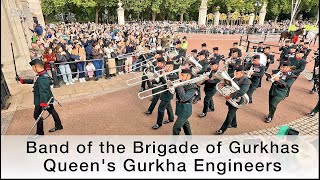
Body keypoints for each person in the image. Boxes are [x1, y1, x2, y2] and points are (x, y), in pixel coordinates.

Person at [15, 59, 63, 135]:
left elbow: (43, 92)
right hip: (46, 99)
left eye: (32, 67)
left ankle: (40, 133)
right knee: (52, 111)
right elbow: (34, 81)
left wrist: (43, 104)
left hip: (42, 100)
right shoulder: (41, 75)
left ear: (36, 67)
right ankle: (59, 125)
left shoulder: (42, 78)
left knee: (37, 115)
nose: (32, 69)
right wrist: (22, 80)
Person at [215, 65, 251, 135]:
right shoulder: (233, 77)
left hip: (237, 100)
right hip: (231, 99)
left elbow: (242, 92)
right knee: (231, 112)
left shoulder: (246, 81)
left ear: (242, 73)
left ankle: (222, 129)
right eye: (235, 72)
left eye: (237, 73)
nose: (235, 74)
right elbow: (228, 84)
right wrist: (223, 85)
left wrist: (230, 95)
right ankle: (234, 124)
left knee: (230, 114)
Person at [152, 61, 178, 129]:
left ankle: (159, 123)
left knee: (161, 108)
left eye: (167, 66)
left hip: (168, 93)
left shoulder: (174, 75)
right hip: (164, 93)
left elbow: (170, 85)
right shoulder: (165, 73)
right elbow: (159, 81)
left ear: (171, 67)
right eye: (165, 66)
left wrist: (164, 76)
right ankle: (171, 118)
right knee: (168, 106)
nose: (165, 67)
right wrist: (156, 77)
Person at [173, 69, 198, 135]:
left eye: (183, 76)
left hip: (185, 110)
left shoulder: (192, 87)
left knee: (176, 128)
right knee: (185, 124)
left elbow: (184, 98)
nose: (181, 77)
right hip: (180, 108)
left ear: (189, 76)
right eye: (181, 75)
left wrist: (179, 85)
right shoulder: (184, 83)